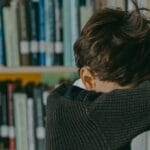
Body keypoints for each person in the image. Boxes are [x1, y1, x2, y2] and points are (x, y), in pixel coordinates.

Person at [46, 1, 150, 150]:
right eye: (129, 92)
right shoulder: (89, 115)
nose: (136, 94)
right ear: (88, 79)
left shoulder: (66, 100)